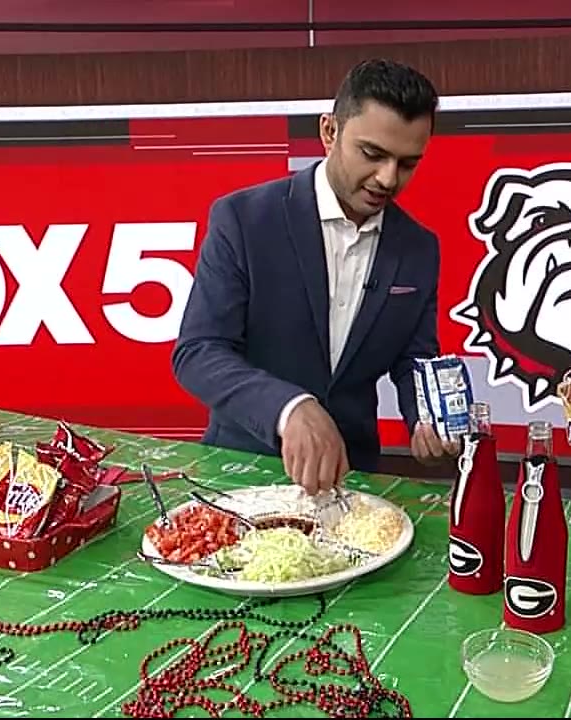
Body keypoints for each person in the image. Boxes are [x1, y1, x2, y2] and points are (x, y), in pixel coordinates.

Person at [172, 58, 458, 497]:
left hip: (352, 484)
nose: (387, 178)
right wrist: (289, 407)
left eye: (407, 163)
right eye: (372, 154)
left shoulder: (419, 248)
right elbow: (198, 352)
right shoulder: (243, 220)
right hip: (240, 473)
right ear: (329, 131)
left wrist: (427, 417)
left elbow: (413, 359)